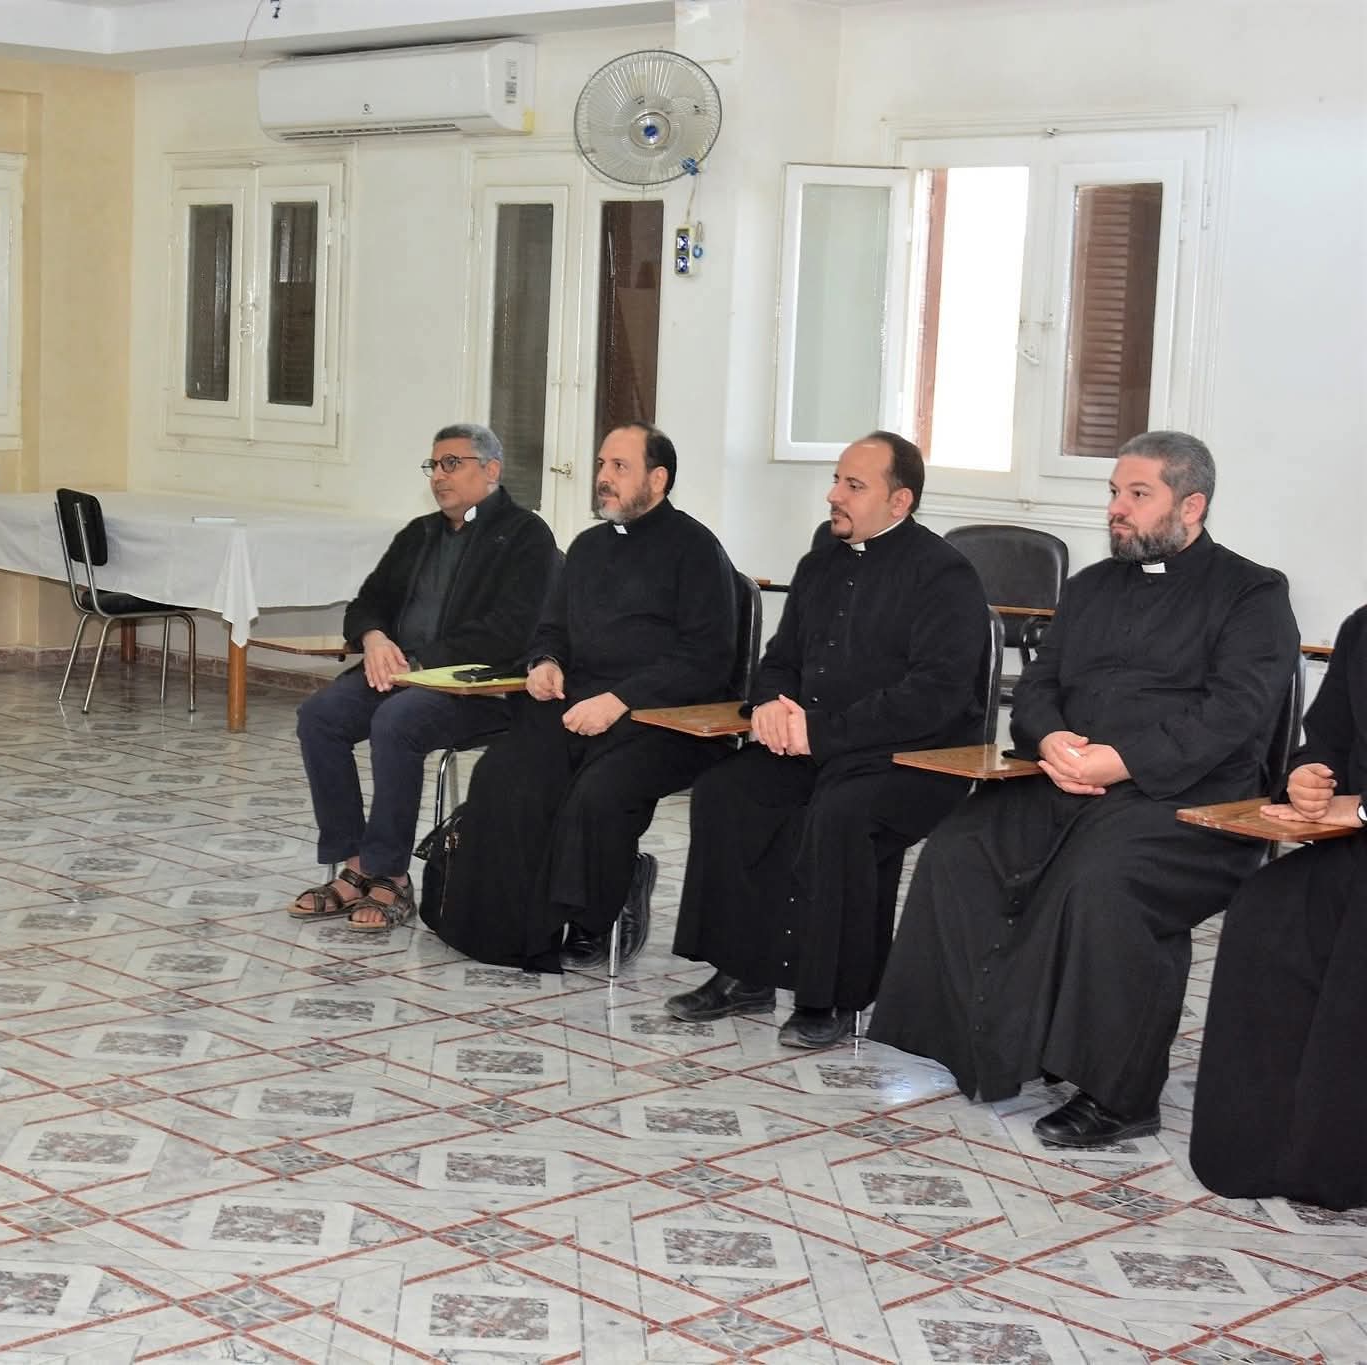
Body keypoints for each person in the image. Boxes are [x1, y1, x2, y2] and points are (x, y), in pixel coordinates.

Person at [868, 431, 1298, 1148]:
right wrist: (1053, 740)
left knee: (1103, 882)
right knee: (960, 845)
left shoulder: (1252, 592)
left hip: (1192, 800)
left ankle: (1119, 1095)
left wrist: (1121, 761)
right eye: (1114, 493)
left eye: (1138, 494)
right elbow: (1039, 687)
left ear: (1191, 505)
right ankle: (987, 1047)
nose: (1117, 508)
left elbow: (1234, 715)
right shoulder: (1092, 586)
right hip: (1069, 779)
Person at [668, 433, 989, 1049]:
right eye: (837, 480)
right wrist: (769, 705)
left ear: (900, 501)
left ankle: (832, 996)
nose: (833, 495)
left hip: (912, 756)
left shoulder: (944, 575)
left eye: (853, 485)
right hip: (815, 744)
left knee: (841, 816)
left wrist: (819, 733)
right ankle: (743, 971)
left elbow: (934, 695)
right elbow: (780, 660)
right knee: (728, 791)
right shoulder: (819, 565)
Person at [423, 422, 737, 972]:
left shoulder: (696, 550)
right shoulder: (589, 547)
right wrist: (546, 662)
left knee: (598, 792)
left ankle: (598, 914)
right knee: (506, 772)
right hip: (579, 703)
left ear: (657, 479)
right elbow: (552, 628)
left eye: (619, 467)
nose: (603, 478)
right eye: (601, 465)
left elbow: (706, 659)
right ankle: (505, 929)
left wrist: (620, 700)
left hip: (664, 718)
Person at [288, 423, 557, 929]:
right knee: (320, 716)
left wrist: (419, 662)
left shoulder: (525, 535)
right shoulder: (420, 533)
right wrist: (373, 638)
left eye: (452, 463)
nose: (438, 476)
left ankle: (391, 875)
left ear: (491, 470)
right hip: (401, 675)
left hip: (478, 688)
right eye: (434, 465)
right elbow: (367, 603)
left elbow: (509, 631)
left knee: (396, 721)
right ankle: (355, 865)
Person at [1190, 603, 1367, 1209]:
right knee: (1269, 905)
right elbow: (1328, 741)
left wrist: (1359, 808)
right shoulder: (1363, 628)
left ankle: (1340, 1157)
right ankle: (1268, 1149)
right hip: (1356, 847)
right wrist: (1310, 778)